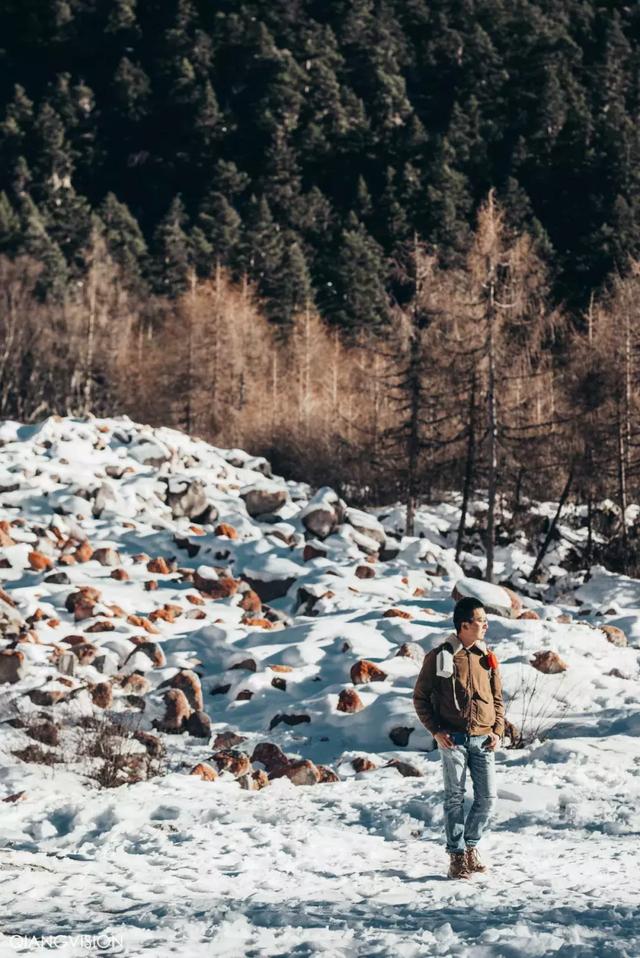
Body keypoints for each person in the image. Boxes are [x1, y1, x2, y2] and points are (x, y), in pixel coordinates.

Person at [413, 596, 504, 879]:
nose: (486, 625)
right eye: (480, 620)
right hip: (452, 738)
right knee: (454, 797)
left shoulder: (486, 655)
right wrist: (436, 731)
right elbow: (420, 698)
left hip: (484, 739)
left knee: (488, 798)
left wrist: (498, 731)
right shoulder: (440, 656)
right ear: (464, 625)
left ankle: (470, 846)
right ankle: (456, 856)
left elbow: (497, 698)